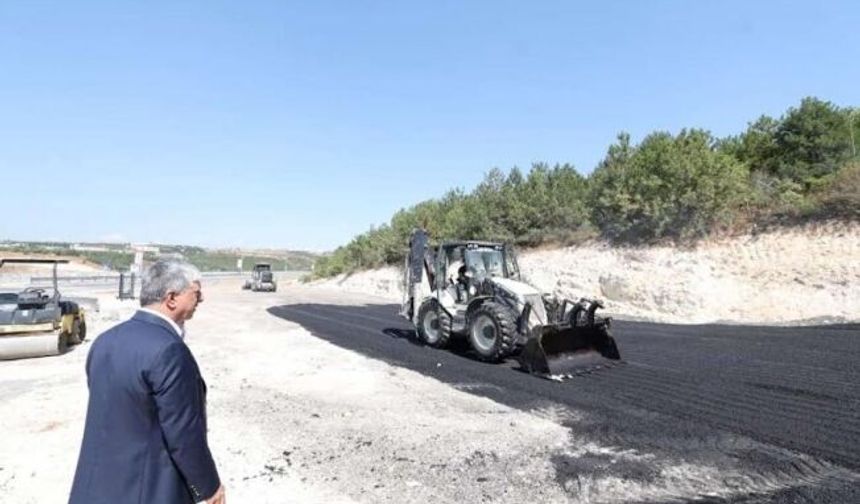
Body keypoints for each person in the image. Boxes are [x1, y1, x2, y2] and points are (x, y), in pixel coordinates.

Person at [69, 259, 225, 504]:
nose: (201, 300)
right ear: (171, 298)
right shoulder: (169, 351)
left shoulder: (105, 341)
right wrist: (209, 487)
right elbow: (183, 433)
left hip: (98, 486)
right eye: (196, 293)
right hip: (147, 489)